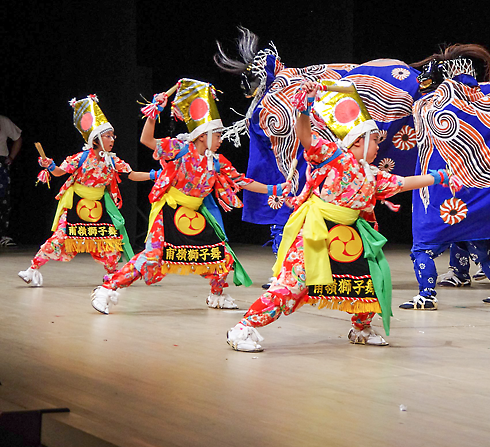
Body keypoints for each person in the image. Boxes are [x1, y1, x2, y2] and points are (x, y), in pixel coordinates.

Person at [227, 79, 453, 352]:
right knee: (292, 285)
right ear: (360, 141)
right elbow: (306, 137)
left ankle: (361, 328)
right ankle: (243, 328)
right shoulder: (332, 155)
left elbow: (402, 183)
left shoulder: (371, 174)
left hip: (349, 235)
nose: (379, 147)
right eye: (375, 141)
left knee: (368, 283)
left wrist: (438, 177)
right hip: (317, 231)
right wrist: (305, 107)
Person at [91, 79, 279, 314]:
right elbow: (147, 141)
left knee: (221, 254)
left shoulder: (216, 161)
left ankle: (217, 295)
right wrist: (154, 112)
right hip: (170, 210)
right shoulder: (180, 149)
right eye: (217, 135)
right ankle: (107, 289)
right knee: (152, 255)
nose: (221, 140)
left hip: (195, 212)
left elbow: (241, 180)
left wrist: (275, 189)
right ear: (203, 135)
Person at [18, 96, 149, 286]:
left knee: (110, 242)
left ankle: (112, 276)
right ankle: (32, 269)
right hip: (76, 204)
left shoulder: (112, 160)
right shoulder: (81, 158)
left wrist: (155, 175)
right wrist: (50, 165)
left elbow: (132, 174)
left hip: (98, 207)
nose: (112, 139)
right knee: (60, 237)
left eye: (113, 136)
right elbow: (59, 172)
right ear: (95, 139)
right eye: (108, 136)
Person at [0, 114, 22, 247]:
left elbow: (18, 138)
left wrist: (11, 157)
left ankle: (2, 235)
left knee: (2, 201)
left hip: (0, 162)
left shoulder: (2, 121)